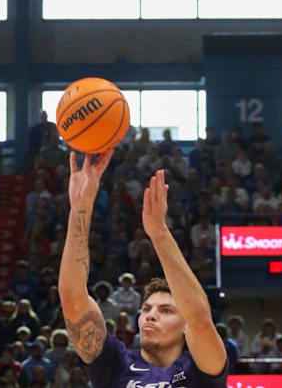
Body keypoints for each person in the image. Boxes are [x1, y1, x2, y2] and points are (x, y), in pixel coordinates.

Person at [58, 151, 228, 388]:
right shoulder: (115, 361)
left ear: (184, 327)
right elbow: (72, 297)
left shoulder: (201, 368)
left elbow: (200, 319)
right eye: (147, 308)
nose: (150, 314)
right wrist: (79, 209)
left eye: (166, 310)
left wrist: (159, 234)